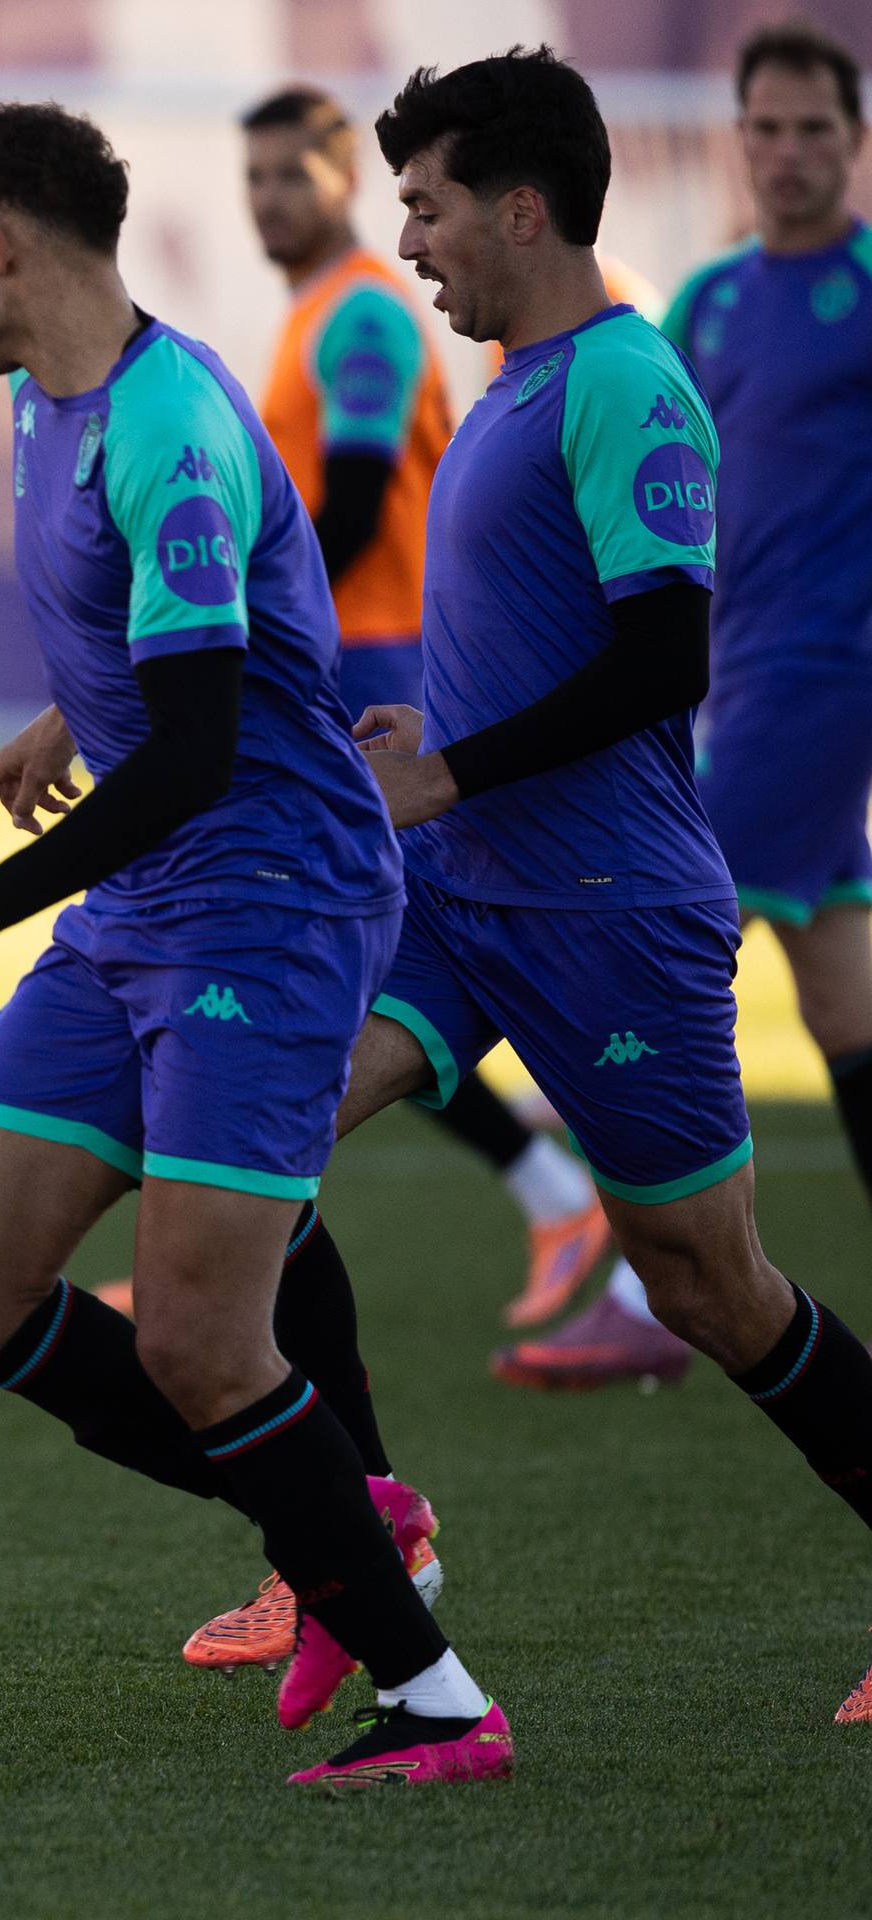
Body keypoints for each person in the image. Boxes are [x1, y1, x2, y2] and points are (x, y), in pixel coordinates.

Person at [171, 46, 872, 1729]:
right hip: (459, 901)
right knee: (243, 1125)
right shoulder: (514, 381)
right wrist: (440, 739)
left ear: (520, 208)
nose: (406, 247)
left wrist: (454, 768)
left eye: (421, 209)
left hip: (606, 919)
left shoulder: (623, 381)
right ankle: (358, 1549)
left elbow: (660, 658)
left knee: (708, 1286)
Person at [0, 102, 509, 1790]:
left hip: (270, 902)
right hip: (146, 903)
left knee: (200, 1345)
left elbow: (207, 744)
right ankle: (338, 1516)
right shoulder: (36, 400)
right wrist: (59, 706)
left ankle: (430, 1691)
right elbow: (161, 655)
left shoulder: (163, 423)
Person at [503, 21, 872, 1394]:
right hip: (734, 674)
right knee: (840, 999)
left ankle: (650, 1291)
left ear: (851, 140)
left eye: (811, 131)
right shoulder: (707, 301)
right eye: (762, 130)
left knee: (648, 928)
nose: (784, 154)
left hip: (823, 679)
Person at [241, 84, 609, 1334]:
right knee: (313, 974)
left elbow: (344, 508)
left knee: (330, 971)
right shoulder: (311, 315)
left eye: (290, 174)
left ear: (343, 181)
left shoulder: (361, 320)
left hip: (371, 674)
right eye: (252, 177)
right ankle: (228, 1254)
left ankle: (564, 1192)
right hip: (337, 673)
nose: (265, 199)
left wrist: (229, 632)